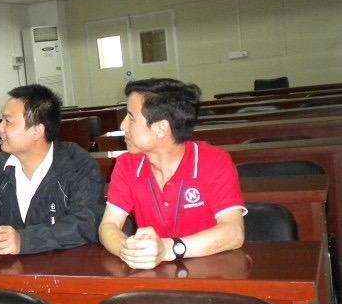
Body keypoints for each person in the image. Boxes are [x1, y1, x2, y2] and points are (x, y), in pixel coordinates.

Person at [99, 78, 246, 270]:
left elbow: (234, 232)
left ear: (161, 128)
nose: (123, 126)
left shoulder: (214, 161)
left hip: (210, 272)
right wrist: (128, 250)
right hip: (154, 274)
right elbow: (108, 226)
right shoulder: (126, 165)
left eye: (131, 117)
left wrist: (169, 248)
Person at [0, 84, 105, 259]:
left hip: (67, 269)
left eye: (8, 121)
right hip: (9, 270)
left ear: (37, 130)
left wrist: (25, 240)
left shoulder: (77, 164)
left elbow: (87, 221)